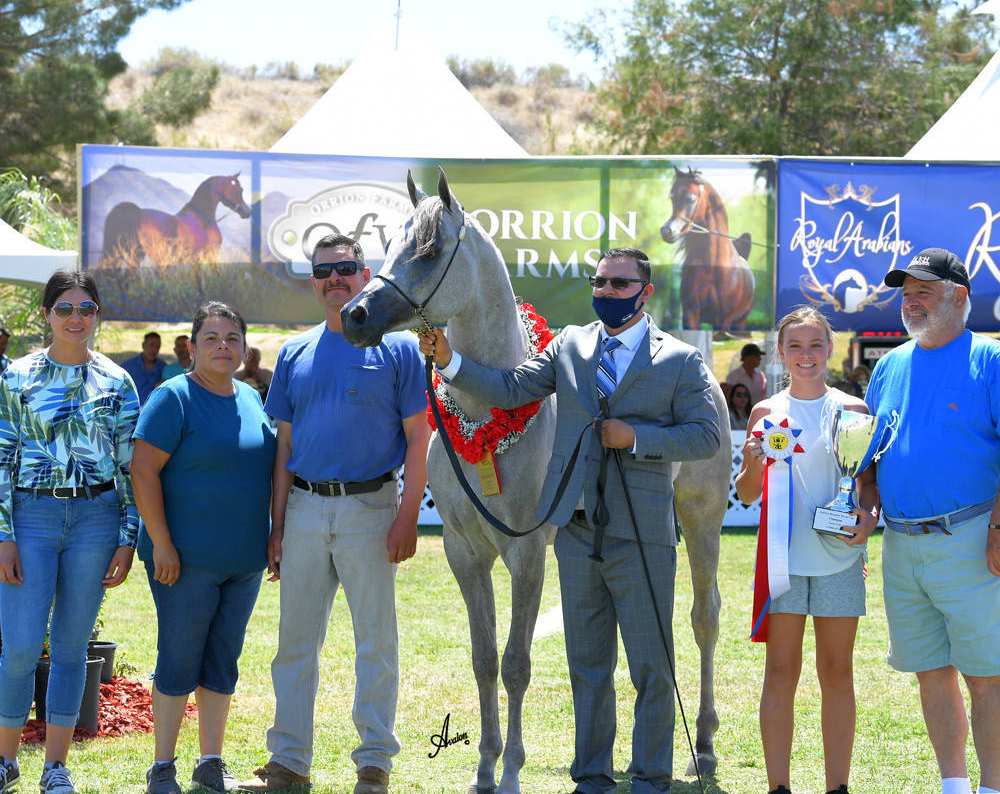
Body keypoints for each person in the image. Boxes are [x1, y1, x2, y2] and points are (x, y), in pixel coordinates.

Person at [419, 246, 720, 794]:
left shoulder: (679, 359)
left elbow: (707, 435)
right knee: (587, 666)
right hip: (577, 528)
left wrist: (639, 437)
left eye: (620, 284)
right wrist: (450, 364)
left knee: (651, 667)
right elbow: (511, 390)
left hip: (643, 530)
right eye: (599, 282)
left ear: (645, 291)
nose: (607, 292)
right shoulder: (570, 345)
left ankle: (651, 777)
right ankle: (592, 778)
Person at [238, 234, 429, 794]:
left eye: (346, 268)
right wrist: (277, 526)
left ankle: (374, 760)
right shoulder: (294, 352)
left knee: (375, 642)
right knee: (294, 643)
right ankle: (289, 762)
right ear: (313, 281)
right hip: (302, 509)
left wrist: (407, 515)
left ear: (365, 273)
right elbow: (283, 449)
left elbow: (419, 438)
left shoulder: (397, 349)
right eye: (325, 271)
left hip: (372, 507)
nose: (335, 278)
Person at [865, 248, 1000, 794]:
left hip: (972, 538)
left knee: (987, 677)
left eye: (923, 290)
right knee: (930, 672)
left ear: (959, 296)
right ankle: (954, 786)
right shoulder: (891, 364)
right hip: (901, 543)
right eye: (906, 292)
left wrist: (998, 529)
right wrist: (864, 492)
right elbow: (868, 455)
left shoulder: (989, 359)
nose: (911, 301)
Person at [0, 270, 139, 794]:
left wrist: (128, 538)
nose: (76, 318)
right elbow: (1, 458)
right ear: (46, 315)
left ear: (97, 315)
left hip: (96, 522)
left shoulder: (117, 381)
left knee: (71, 646)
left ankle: (55, 768)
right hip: (30, 519)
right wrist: (3, 536)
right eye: (65, 308)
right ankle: (5, 762)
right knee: (18, 647)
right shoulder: (16, 378)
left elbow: (129, 468)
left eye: (86, 308)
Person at [131, 302, 276, 794]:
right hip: (183, 562)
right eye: (211, 338)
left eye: (232, 338)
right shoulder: (173, 398)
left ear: (244, 347)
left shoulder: (253, 398)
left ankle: (210, 762)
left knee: (222, 662)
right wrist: (161, 542)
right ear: (191, 347)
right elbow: (142, 470)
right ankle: (163, 767)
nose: (222, 347)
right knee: (178, 660)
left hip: (243, 562)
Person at [734, 306, 878, 794]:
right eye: (795, 345)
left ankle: (837, 786)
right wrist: (753, 463)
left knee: (837, 672)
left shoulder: (855, 412)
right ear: (780, 353)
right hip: (784, 565)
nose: (806, 355)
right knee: (780, 672)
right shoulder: (763, 413)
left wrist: (868, 519)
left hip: (839, 561)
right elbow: (749, 494)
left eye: (815, 344)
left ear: (830, 349)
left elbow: (869, 488)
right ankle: (779, 787)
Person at [122, 331, 166, 405]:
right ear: (143, 345)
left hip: (154, 410)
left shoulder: (163, 367)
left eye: (157, 347)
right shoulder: (127, 367)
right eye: (151, 345)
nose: (154, 350)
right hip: (131, 410)